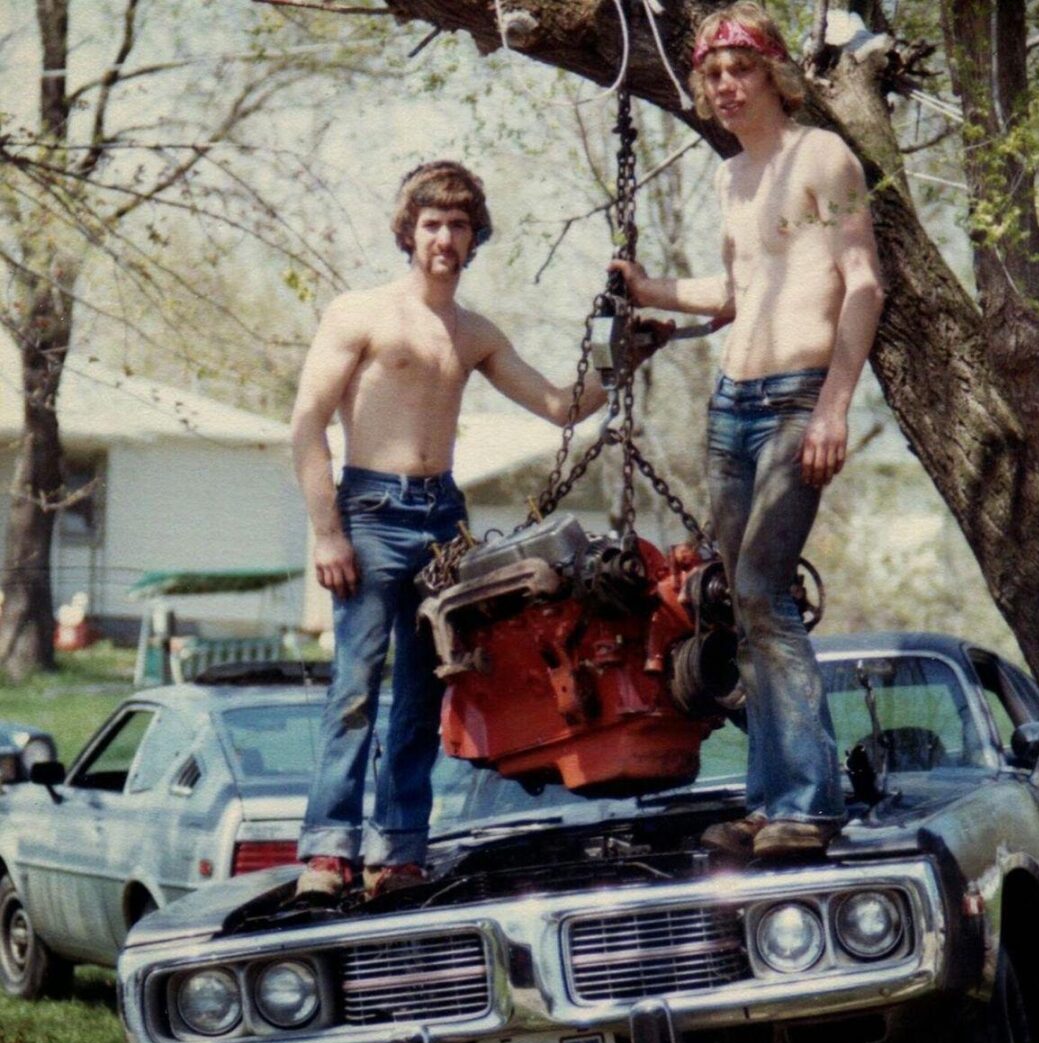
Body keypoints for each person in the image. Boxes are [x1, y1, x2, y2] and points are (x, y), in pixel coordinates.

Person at [291, 161, 663, 900]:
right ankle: (329, 851)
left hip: (442, 522)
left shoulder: (473, 332)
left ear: (474, 237)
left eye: (458, 226)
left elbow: (559, 406)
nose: (444, 238)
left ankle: (399, 850)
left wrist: (623, 358)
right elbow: (306, 424)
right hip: (370, 511)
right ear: (409, 232)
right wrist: (326, 532)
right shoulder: (360, 313)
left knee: (427, 691)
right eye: (431, 224)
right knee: (356, 687)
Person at [611, 1, 884, 860]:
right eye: (713, 75)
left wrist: (835, 405)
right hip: (730, 404)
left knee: (764, 591)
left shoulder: (823, 155)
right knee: (742, 602)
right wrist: (651, 291)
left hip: (799, 399)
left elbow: (864, 282)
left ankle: (808, 801)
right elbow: (735, 296)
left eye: (740, 70)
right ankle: (769, 804)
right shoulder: (731, 177)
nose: (726, 86)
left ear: (773, 74)